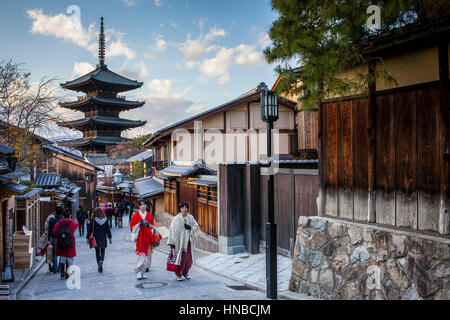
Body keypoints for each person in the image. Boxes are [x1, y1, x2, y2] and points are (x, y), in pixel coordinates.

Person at [167, 202, 199, 281]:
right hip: (179, 243)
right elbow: (172, 231)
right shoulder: (176, 219)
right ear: (180, 209)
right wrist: (172, 243)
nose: (184, 209)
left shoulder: (190, 217)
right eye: (182, 208)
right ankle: (179, 274)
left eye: (185, 208)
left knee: (188, 258)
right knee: (180, 259)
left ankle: (185, 272)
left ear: (187, 209)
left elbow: (196, 226)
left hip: (188, 242)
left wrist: (190, 227)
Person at [130, 200, 158, 280]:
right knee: (140, 255)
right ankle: (139, 272)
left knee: (146, 255)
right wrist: (139, 224)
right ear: (139, 206)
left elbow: (153, 225)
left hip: (147, 237)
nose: (143, 206)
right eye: (141, 205)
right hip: (140, 237)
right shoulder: (135, 216)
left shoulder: (149, 215)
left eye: (144, 204)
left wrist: (150, 225)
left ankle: (142, 273)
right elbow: (132, 227)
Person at [52, 208, 78, 279]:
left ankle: (62, 272)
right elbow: (76, 225)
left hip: (61, 242)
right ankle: (67, 272)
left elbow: (54, 232)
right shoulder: (73, 223)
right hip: (70, 243)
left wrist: (60, 235)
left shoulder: (59, 223)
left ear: (63, 216)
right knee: (69, 258)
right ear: (70, 216)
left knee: (62, 257)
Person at [86, 207, 112, 273]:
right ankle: (101, 262)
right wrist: (110, 237)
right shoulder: (105, 220)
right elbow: (108, 230)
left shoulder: (93, 220)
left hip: (96, 238)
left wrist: (87, 237)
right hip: (103, 237)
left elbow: (90, 230)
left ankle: (99, 265)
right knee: (103, 250)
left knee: (97, 251)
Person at [48, 206, 64, 273]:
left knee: (54, 254)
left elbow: (50, 230)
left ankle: (55, 268)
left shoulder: (52, 219)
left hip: (54, 238)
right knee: (62, 253)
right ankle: (60, 267)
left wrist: (49, 239)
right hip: (62, 238)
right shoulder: (63, 220)